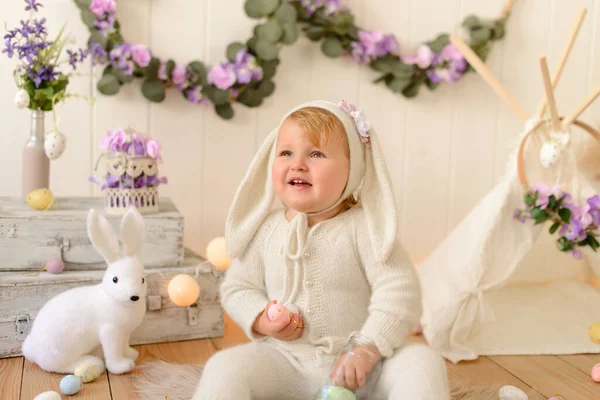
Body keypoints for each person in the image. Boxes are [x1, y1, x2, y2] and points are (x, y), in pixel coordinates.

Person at [193, 100, 450, 399]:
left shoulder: (366, 229)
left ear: (352, 168)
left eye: (316, 154)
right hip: (285, 362)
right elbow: (238, 288)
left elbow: (399, 293)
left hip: (363, 371)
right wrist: (262, 317)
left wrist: (367, 348)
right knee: (225, 366)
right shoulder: (266, 230)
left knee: (422, 362)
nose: (298, 164)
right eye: (286, 152)